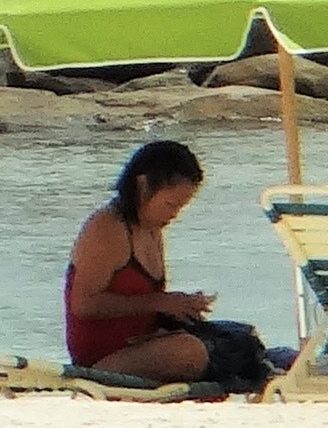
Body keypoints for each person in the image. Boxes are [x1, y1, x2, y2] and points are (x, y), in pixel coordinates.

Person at [64, 139, 284, 396]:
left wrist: (180, 307)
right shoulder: (107, 228)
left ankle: (252, 368)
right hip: (103, 359)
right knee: (189, 352)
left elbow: (146, 303)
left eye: (181, 207)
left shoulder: (151, 229)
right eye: (170, 204)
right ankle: (254, 370)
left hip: (142, 343)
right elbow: (84, 304)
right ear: (143, 185)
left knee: (241, 334)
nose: (174, 214)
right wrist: (160, 302)